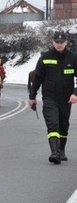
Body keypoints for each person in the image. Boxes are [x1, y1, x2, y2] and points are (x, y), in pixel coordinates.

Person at [29, 32, 77, 164]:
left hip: (66, 99)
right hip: (50, 97)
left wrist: (75, 93)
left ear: (66, 43)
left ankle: (61, 150)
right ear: (53, 42)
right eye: (57, 42)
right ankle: (54, 153)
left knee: (63, 125)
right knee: (53, 123)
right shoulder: (45, 58)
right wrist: (32, 96)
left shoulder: (72, 58)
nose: (60, 44)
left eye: (62, 42)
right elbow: (37, 78)